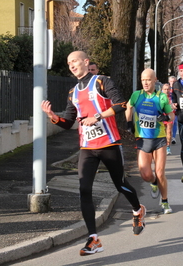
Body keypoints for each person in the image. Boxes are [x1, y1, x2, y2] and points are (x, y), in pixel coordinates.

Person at [41, 51, 146, 256]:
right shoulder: (73, 92)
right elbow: (68, 123)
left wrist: (97, 117)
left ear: (85, 62)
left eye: (75, 61)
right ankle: (93, 239)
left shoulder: (101, 81)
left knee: (121, 184)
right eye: (69, 62)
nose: (71, 65)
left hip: (109, 143)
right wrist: (53, 116)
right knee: (84, 190)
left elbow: (120, 104)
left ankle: (137, 209)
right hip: (87, 147)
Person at [126, 68, 175, 214]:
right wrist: (129, 123)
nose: (145, 83)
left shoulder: (161, 97)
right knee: (146, 175)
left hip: (159, 139)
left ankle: (165, 201)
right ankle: (153, 182)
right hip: (142, 139)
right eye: (143, 80)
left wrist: (166, 118)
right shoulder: (136, 95)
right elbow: (128, 107)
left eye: (148, 79)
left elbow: (171, 115)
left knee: (160, 173)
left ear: (155, 80)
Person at [162, 83, 175, 155]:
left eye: (168, 89)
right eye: (165, 89)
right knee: (162, 132)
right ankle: (162, 146)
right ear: (162, 90)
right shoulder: (159, 96)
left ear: (170, 90)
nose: (166, 91)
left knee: (169, 131)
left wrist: (174, 106)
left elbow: (176, 104)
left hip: (170, 116)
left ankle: (168, 147)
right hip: (161, 116)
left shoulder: (172, 97)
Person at [168, 76, 178, 145]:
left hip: (175, 110)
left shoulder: (178, 90)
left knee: (174, 123)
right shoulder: (166, 89)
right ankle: (167, 139)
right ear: (169, 82)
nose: (172, 83)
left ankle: (173, 137)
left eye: (174, 81)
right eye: (171, 81)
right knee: (168, 125)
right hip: (168, 109)